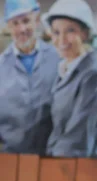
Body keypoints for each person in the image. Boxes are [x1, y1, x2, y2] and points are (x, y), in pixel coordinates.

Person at [42, 0, 97, 159]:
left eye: (70, 31)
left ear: (84, 33)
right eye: (56, 32)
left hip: (81, 168)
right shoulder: (64, 69)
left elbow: (78, 140)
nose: (61, 40)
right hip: (61, 162)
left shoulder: (94, 75)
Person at [0, 0, 60, 155]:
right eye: (15, 23)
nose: (22, 29)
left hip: (51, 155)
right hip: (11, 157)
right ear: (8, 26)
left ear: (37, 20)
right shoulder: (1, 66)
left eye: (26, 21)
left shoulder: (58, 59)